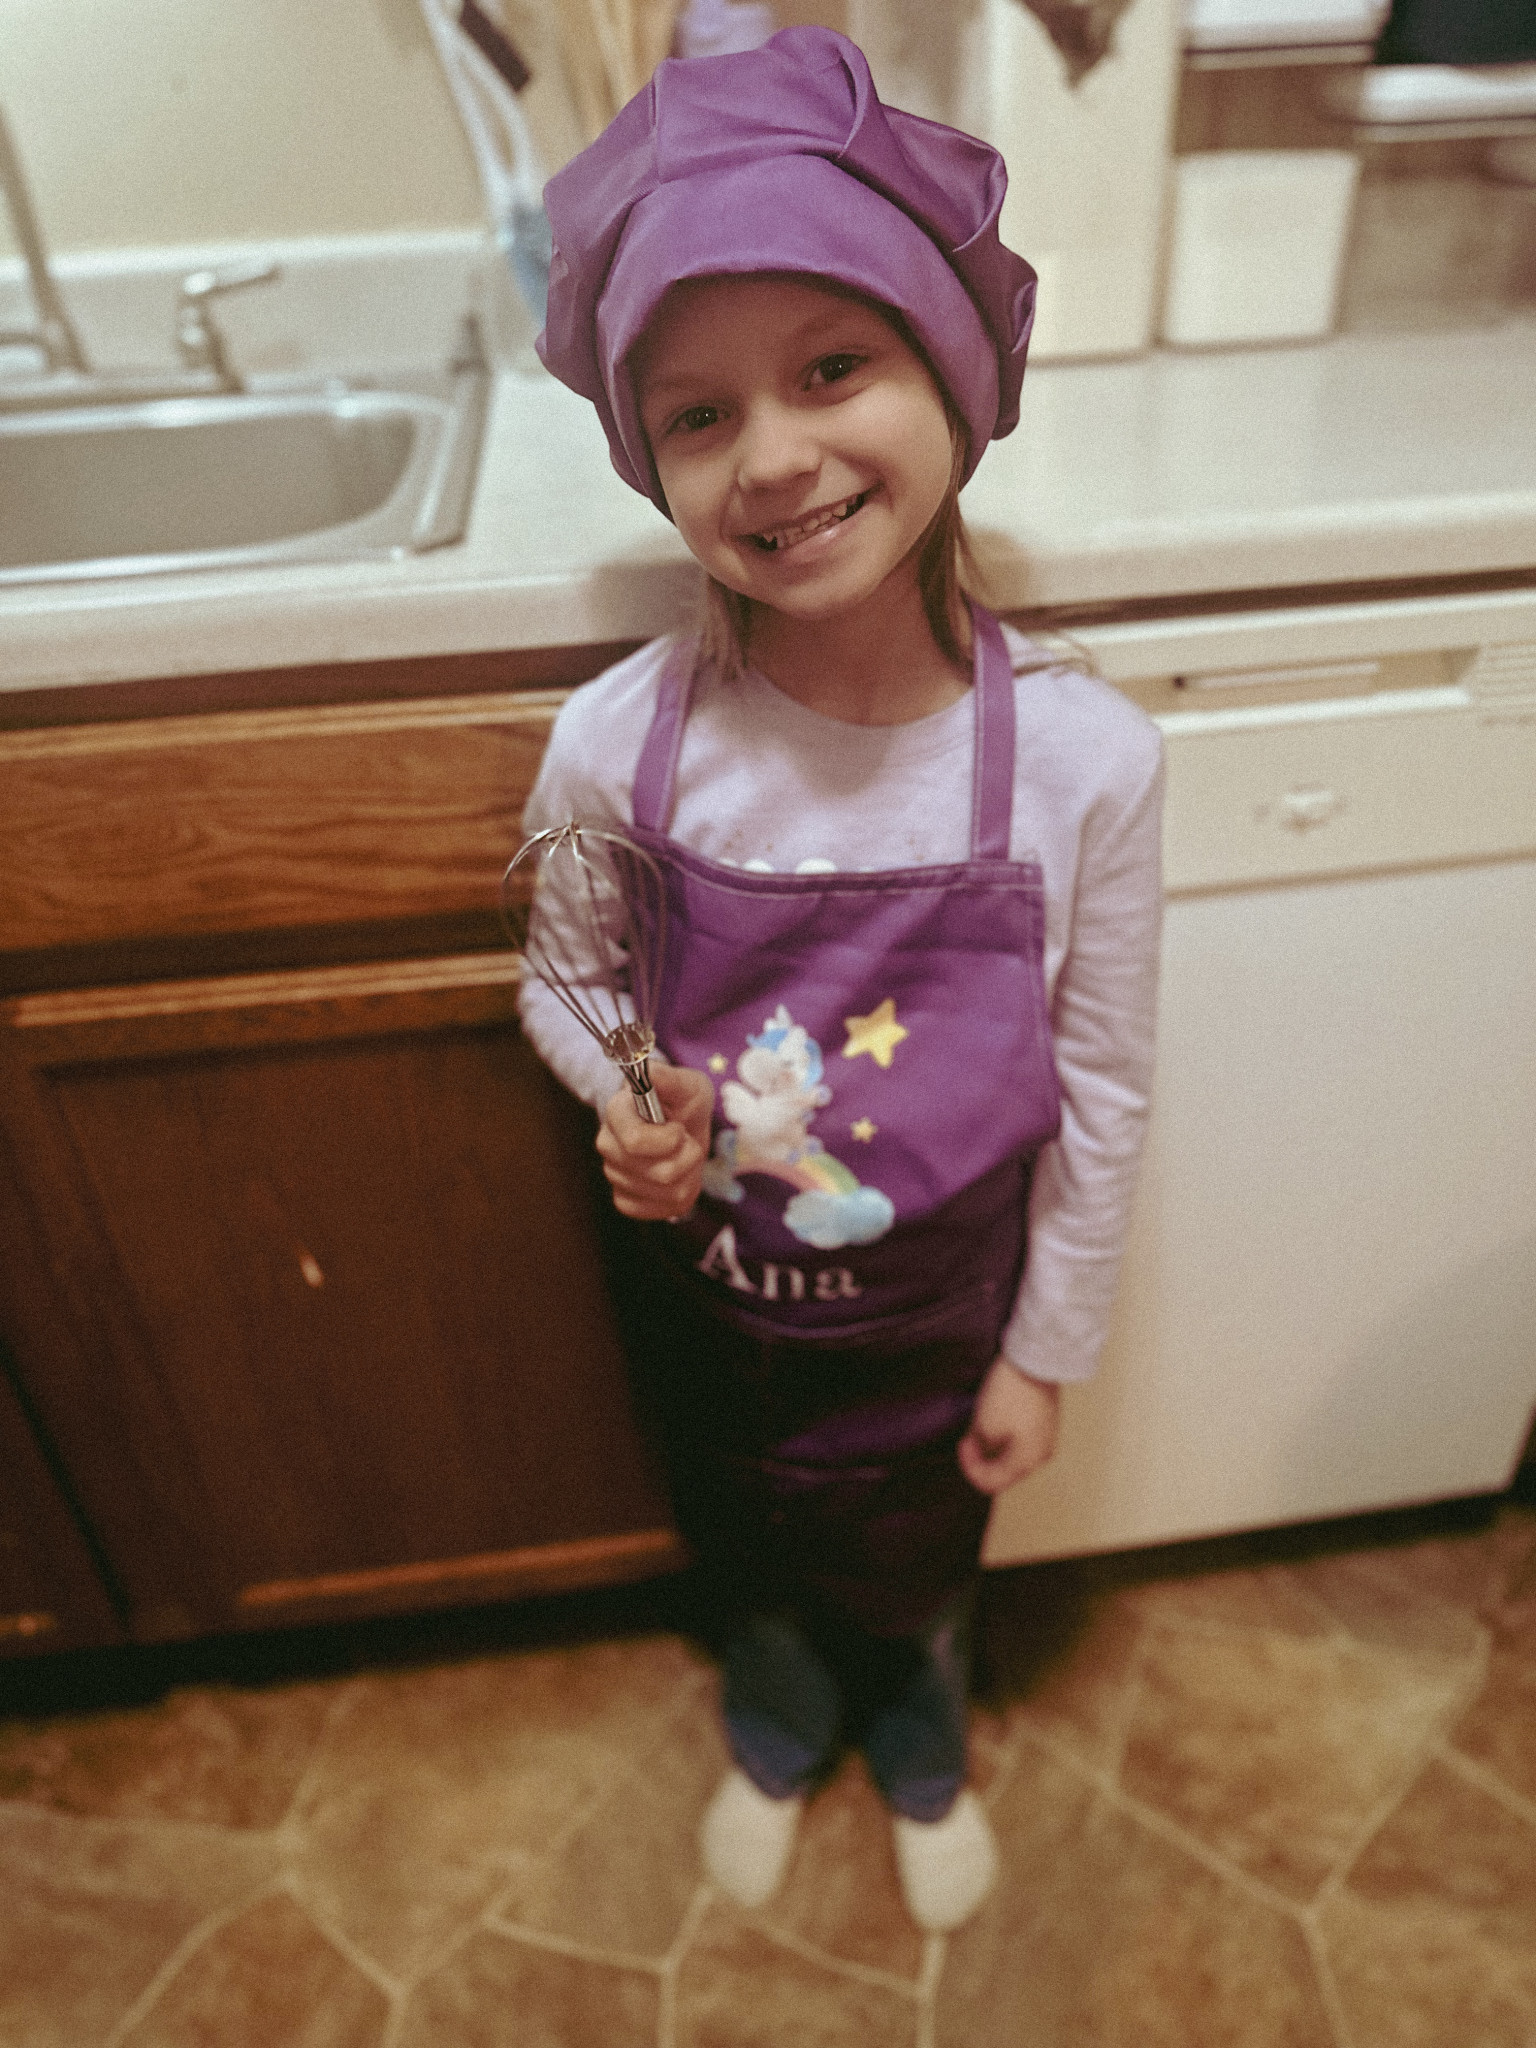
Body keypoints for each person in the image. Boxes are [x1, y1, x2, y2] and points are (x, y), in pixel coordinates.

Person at [517, 25, 1163, 1933]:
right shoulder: (618, 748)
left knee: (921, 1563)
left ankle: (920, 1729)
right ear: (650, 459)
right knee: (758, 1546)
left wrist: (1048, 1351)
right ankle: (783, 1712)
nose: (777, 455)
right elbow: (563, 982)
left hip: (947, 1325)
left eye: (830, 367)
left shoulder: (1083, 764)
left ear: (951, 371)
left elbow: (1106, 1085)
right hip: (723, 1322)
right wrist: (625, 1101)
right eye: (699, 414)